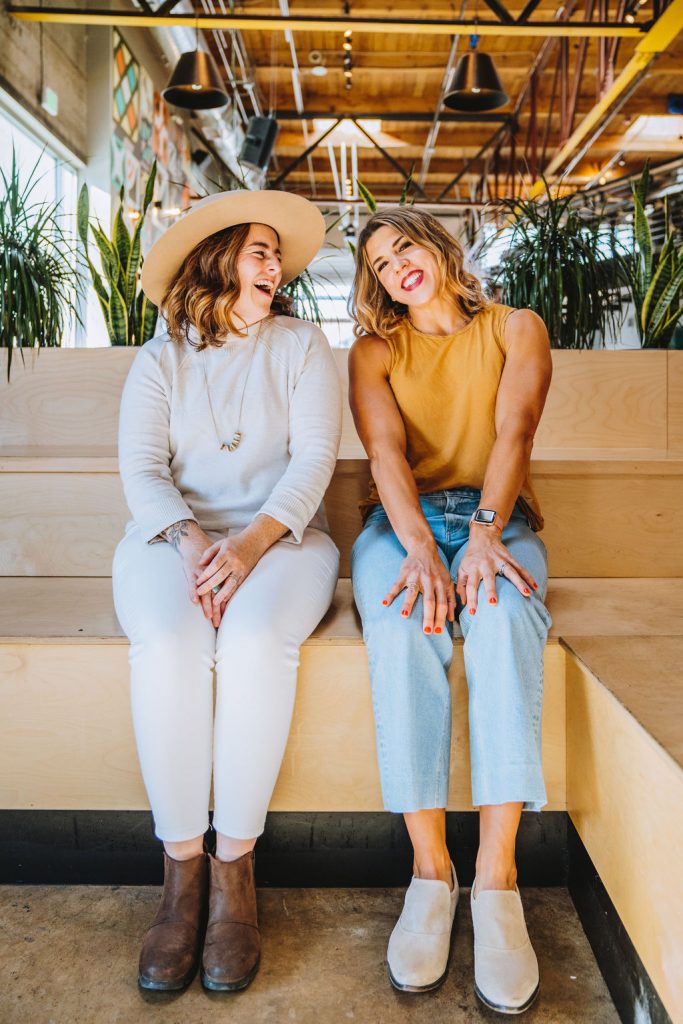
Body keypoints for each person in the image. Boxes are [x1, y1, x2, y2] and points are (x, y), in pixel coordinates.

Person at [112, 190, 342, 994]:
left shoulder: (304, 346)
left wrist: (246, 546)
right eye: (258, 251)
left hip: (283, 540)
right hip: (170, 538)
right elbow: (141, 471)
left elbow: (313, 462)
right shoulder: (159, 358)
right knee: (172, 644)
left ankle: (235, 874)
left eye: (275, 253)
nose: (274, 266)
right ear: (216, 260)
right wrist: (195, 541)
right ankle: (180, 879)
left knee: (249, 643)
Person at [348, 207, 553, 1014]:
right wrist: (423, 549)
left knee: (501, 618)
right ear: (376, 284)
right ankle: (430, 873)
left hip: (497, 520)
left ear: (435, 249)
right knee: (405, 622)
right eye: (379, 260)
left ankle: (497, 881)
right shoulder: (373, 351)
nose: (397, 263)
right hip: (399, 525)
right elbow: (383, 453)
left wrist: (480, 533)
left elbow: (516, 428)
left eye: (405, 244)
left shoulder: (515, 327)